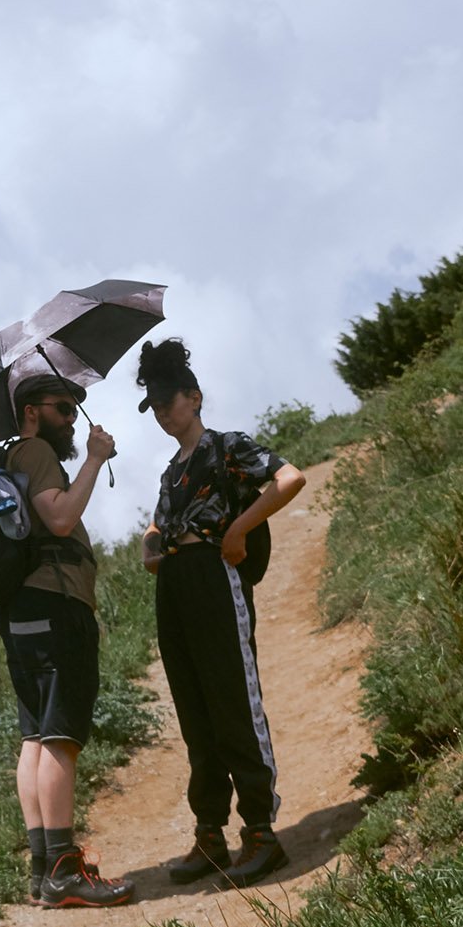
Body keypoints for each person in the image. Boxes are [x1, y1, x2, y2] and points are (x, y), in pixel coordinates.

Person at [136, 339, 307, 887]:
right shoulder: (171, 471)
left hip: (216, 575)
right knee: (194, 708)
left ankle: (260, 831)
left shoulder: (227, 447)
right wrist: (150, 540)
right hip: (176, 587)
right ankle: (208, 833)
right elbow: (159, 522)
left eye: (170, 402)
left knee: (232, 697)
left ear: (195, 397)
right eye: (156, 406)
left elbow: (290, 478)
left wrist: (240, 527)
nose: (163, 413)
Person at [0, 372, 136, 908]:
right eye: (63, 407)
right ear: (32, 411)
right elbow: (58, 518)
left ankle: (41, 871)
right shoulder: (34, 453)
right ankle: (63, 871)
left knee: (35, 736)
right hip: (55, 606)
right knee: (59, 737)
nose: (73, 418)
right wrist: (96, 459)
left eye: (75, 409)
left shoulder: (15, 456)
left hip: (23, 611)